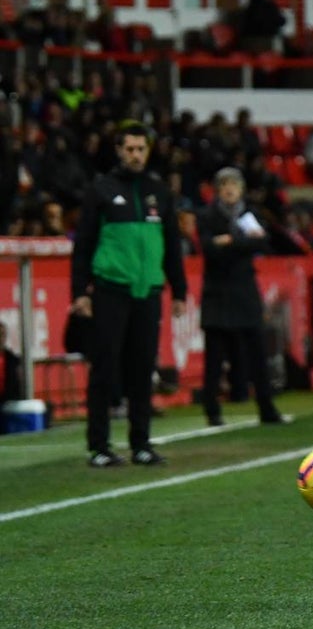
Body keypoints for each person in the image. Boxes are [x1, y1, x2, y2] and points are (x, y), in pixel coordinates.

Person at [70, 121, 187, 466]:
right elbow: (84, 245)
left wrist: (179, 289)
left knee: (141, 369)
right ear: (119, 150)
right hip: (110, 290)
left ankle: (141, 444)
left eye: (141, 149)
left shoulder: (159, 192)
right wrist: (81, 292)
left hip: (148, 291)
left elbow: (172, 248)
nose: (135, 155)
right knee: (104, 368)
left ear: (147, 151)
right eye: (130, 149)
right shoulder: (101, 190)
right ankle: (99, 447)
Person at [196, 168, 284, 427]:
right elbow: (210, 249)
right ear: (217, 190)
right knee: (214, 358)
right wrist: (241, 241)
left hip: (245, 292)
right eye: (224, 185)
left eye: (233, 184)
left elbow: (262, 243)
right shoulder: (207, 215)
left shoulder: (250, 214)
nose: (229, 189)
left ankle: (267, 407)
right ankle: (212, 411)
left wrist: (229, 241)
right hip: (218, 295)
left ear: (241, 188)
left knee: (257, 353)